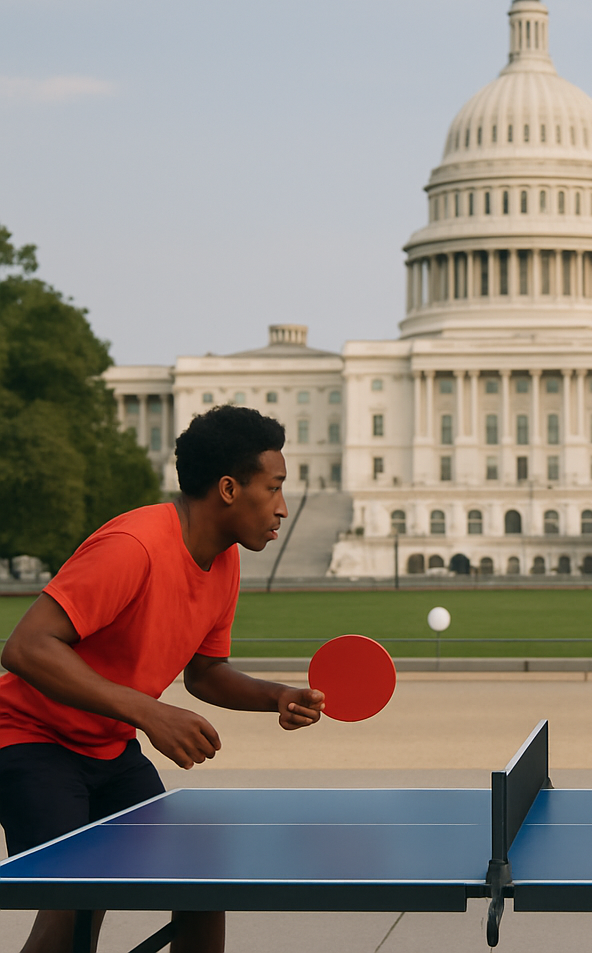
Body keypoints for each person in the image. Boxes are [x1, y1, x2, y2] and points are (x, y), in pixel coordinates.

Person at [0, 405, 325, 953]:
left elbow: (204, 673)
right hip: (32, 741)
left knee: (200, 881)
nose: (283, 508)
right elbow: (26, 647)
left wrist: (278, 696)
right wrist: (150, 712)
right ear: (228, 488)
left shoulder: (223, 561)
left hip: (109, 750)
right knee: (75, 898)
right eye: (273, 488)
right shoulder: (134, 546)